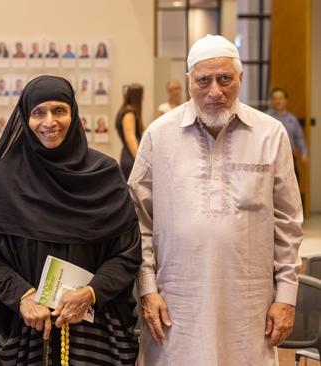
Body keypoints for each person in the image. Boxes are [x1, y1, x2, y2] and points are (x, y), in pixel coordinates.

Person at [129, 34, 303, 366]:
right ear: (188, 81)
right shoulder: (158, 135)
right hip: (176, 303)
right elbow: (138, 221)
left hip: (250, 304)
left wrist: (286, 297)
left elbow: (288, 223)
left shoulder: (270, 134)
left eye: (225, 79)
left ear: (241, 78)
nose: (214, 91)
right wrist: (148, 289)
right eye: (203, 80)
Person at [0, 75, 141, 365]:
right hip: (27, 327)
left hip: (94, 330)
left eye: (59, 111)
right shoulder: (4, 180)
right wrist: (22, 295)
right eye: (38, 112)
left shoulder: (104, 175)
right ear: (25, 118)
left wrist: (92, 293)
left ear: (73, 114)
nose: (49, 122)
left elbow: (127, 253)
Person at [266, 88, 309, 179]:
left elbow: (299, 138)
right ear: (272, 101)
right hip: (270, 158)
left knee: (293, 183)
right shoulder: (265, 117)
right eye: (275, 98)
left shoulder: (292, 119)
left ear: (285, 100)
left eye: (280, 98)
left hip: (289, 157)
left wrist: (303, 153)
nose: (277, 101)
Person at [115, 83, 143, 180]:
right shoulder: (129, 113)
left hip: (129, 156)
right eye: (142, 96)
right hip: (131, 158)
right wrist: (140, 160)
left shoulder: (126, 110)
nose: (143, 99)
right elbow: (130, 138)